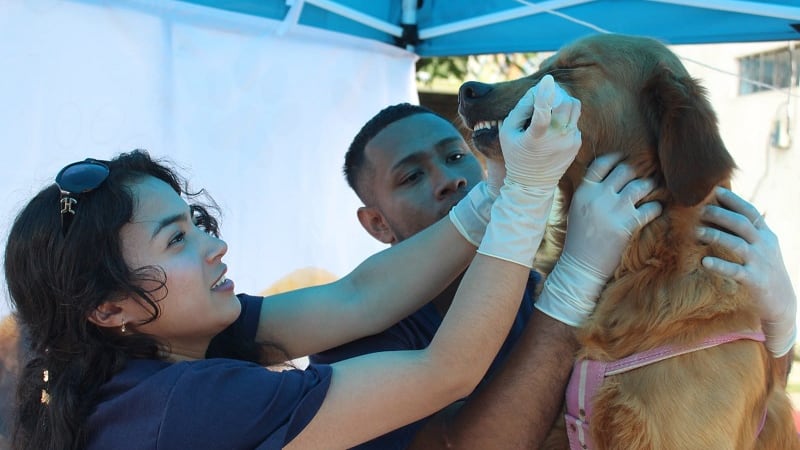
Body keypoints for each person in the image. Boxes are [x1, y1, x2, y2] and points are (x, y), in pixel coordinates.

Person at [6, 76, 591, 450]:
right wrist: (529, 197)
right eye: (174, 241)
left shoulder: (152, 350)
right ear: (108, 308)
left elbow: (357, 297)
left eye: (196, 226)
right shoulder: (186, 402)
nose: (216, 247)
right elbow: (446, 371)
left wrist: (495, 192)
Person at [311, 101, 798, 448]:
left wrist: (778, 328)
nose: (450, 179)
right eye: (412, 177)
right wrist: (572, 288)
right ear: (377, 224)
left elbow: (725, 399)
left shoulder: (531, 288)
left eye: (456, 156)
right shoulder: (355, 343)